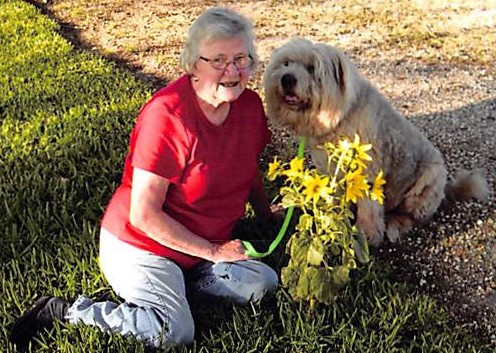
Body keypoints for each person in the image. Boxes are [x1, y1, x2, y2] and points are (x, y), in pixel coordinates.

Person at [9, 7, 278, 350]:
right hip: (141, 244)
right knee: (173, 332)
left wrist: (266, 213)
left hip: (197, 246)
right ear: (193, 62)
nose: (232, 71)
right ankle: (65, 311)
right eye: (219, 60)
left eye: (242, 58)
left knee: (262, 283)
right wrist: (213, 251)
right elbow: (144, 215)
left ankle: (185, 282)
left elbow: (247, 164)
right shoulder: (167, 115)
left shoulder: (249, 106)